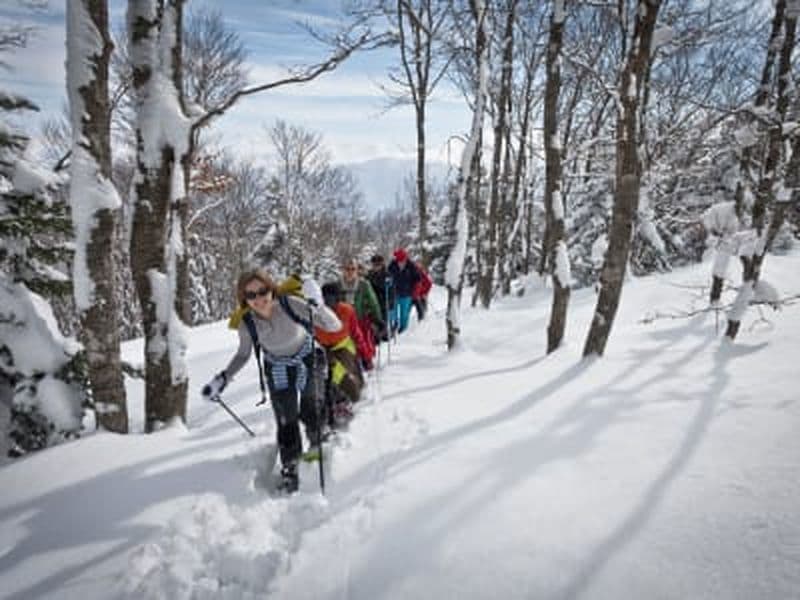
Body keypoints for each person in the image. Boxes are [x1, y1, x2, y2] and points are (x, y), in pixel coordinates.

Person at [202, 269, 341, 493]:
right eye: (251, 295)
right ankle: (290, 465)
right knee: (286, 419)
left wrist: (317, 304)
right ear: (244, 299)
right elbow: (243, 354)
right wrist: (223, 379)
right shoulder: (247, 323)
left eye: (263, 291)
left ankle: (317, 442)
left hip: (307, 358)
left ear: (271, 289)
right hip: (276, 367)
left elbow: (334, 326)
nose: (259, 299)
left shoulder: (290, 304)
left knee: (310, 406)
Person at [317, 282, 368, 424]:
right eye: (325, 298)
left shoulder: (347, 310)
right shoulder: (316, 312)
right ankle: (334, 402)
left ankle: (345, 399)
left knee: (342, 374)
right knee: (330, 374)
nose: (329, 302)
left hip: (343, 346)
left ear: (338, 298)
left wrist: (364, 353)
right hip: (323, 349)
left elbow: (356, 332)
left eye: (332, 298)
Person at [339, 258, 384, 369]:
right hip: (343, 320)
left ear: (357, 270)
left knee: (363, 342)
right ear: (343, 270)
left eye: (353, 269)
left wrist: (377, 318)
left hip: (360, 318)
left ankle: (366, 360)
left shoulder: (364, 285)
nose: (350, 272)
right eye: (347, 269)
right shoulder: (338, 284)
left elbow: (373, 302)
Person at [387, 248, 421, 334]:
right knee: (392, 312)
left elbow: (417, 279)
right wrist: (387, 281)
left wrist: (415, 291)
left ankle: (403, 329)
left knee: (404, 314)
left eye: (402, 260)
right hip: (394, 293)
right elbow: (387, 276)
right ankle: (393, 326)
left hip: (407, 294)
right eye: (398, 260)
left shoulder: (411, 266)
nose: (400, 262)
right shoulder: (392, 265)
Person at [366, 254, 396, 340]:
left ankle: (385, 334)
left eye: (378, 264)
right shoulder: (370, 274)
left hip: (383, 301)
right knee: (374, 319)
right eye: (374, 264)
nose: (376, 266)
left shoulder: (387, 275)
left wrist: (391, 302)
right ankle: (375, 336)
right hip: (373, 301)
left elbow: (389, 289)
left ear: (382, 264)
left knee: (383, 320)